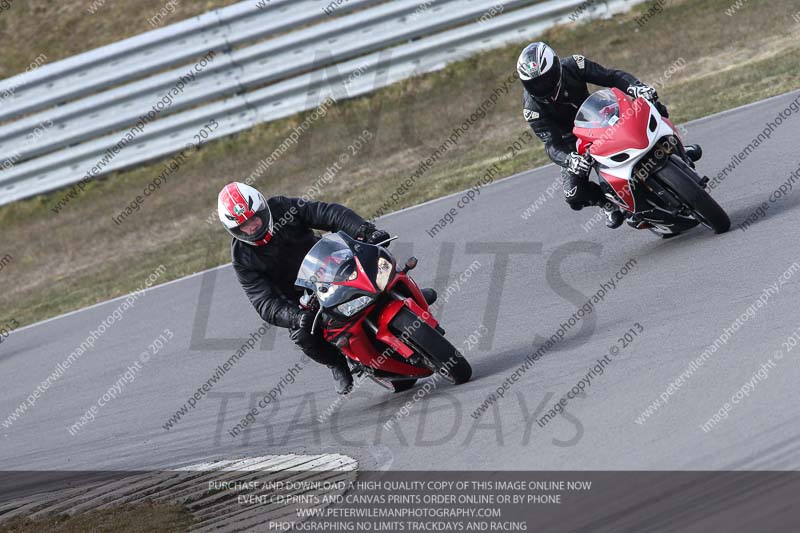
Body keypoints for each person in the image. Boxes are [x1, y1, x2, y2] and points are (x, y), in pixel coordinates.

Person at [217, 182, 435, 395]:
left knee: (375, 260)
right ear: (234, 230)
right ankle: (337, 363)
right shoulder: (242, 259)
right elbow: (263, 301)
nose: (253, 226)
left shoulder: (283, 207)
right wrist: (294, 316)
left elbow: (327, 213)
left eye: (254, 218)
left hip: (329, 263)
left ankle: (404, 299)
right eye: (244, 226)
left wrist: (366, 231)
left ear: (263, 209)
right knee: (303, 335)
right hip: (301, 297)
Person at [517, 42, 701, 228]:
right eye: (534, 84)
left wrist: (636, 87)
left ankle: (675, 148)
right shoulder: (532, 109)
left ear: (556, 68)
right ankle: (609, 204)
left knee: (649, 103)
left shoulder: (574, 64)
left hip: (600, 114)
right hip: (573, 141)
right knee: (573, 194)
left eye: (545, 79)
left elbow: (611, 76)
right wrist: (569, 159)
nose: (541, 87)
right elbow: (551, 145)